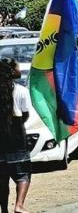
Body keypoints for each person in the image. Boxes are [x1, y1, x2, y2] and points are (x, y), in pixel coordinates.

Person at [0, 59, 31, 213]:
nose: (20, 69)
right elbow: (25, 115)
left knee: (2, 179)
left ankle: (3, 209)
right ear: (11, 72)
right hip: (17, 138)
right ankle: (18, 206)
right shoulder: (21, 90)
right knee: (22, 175)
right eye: (18, 67)